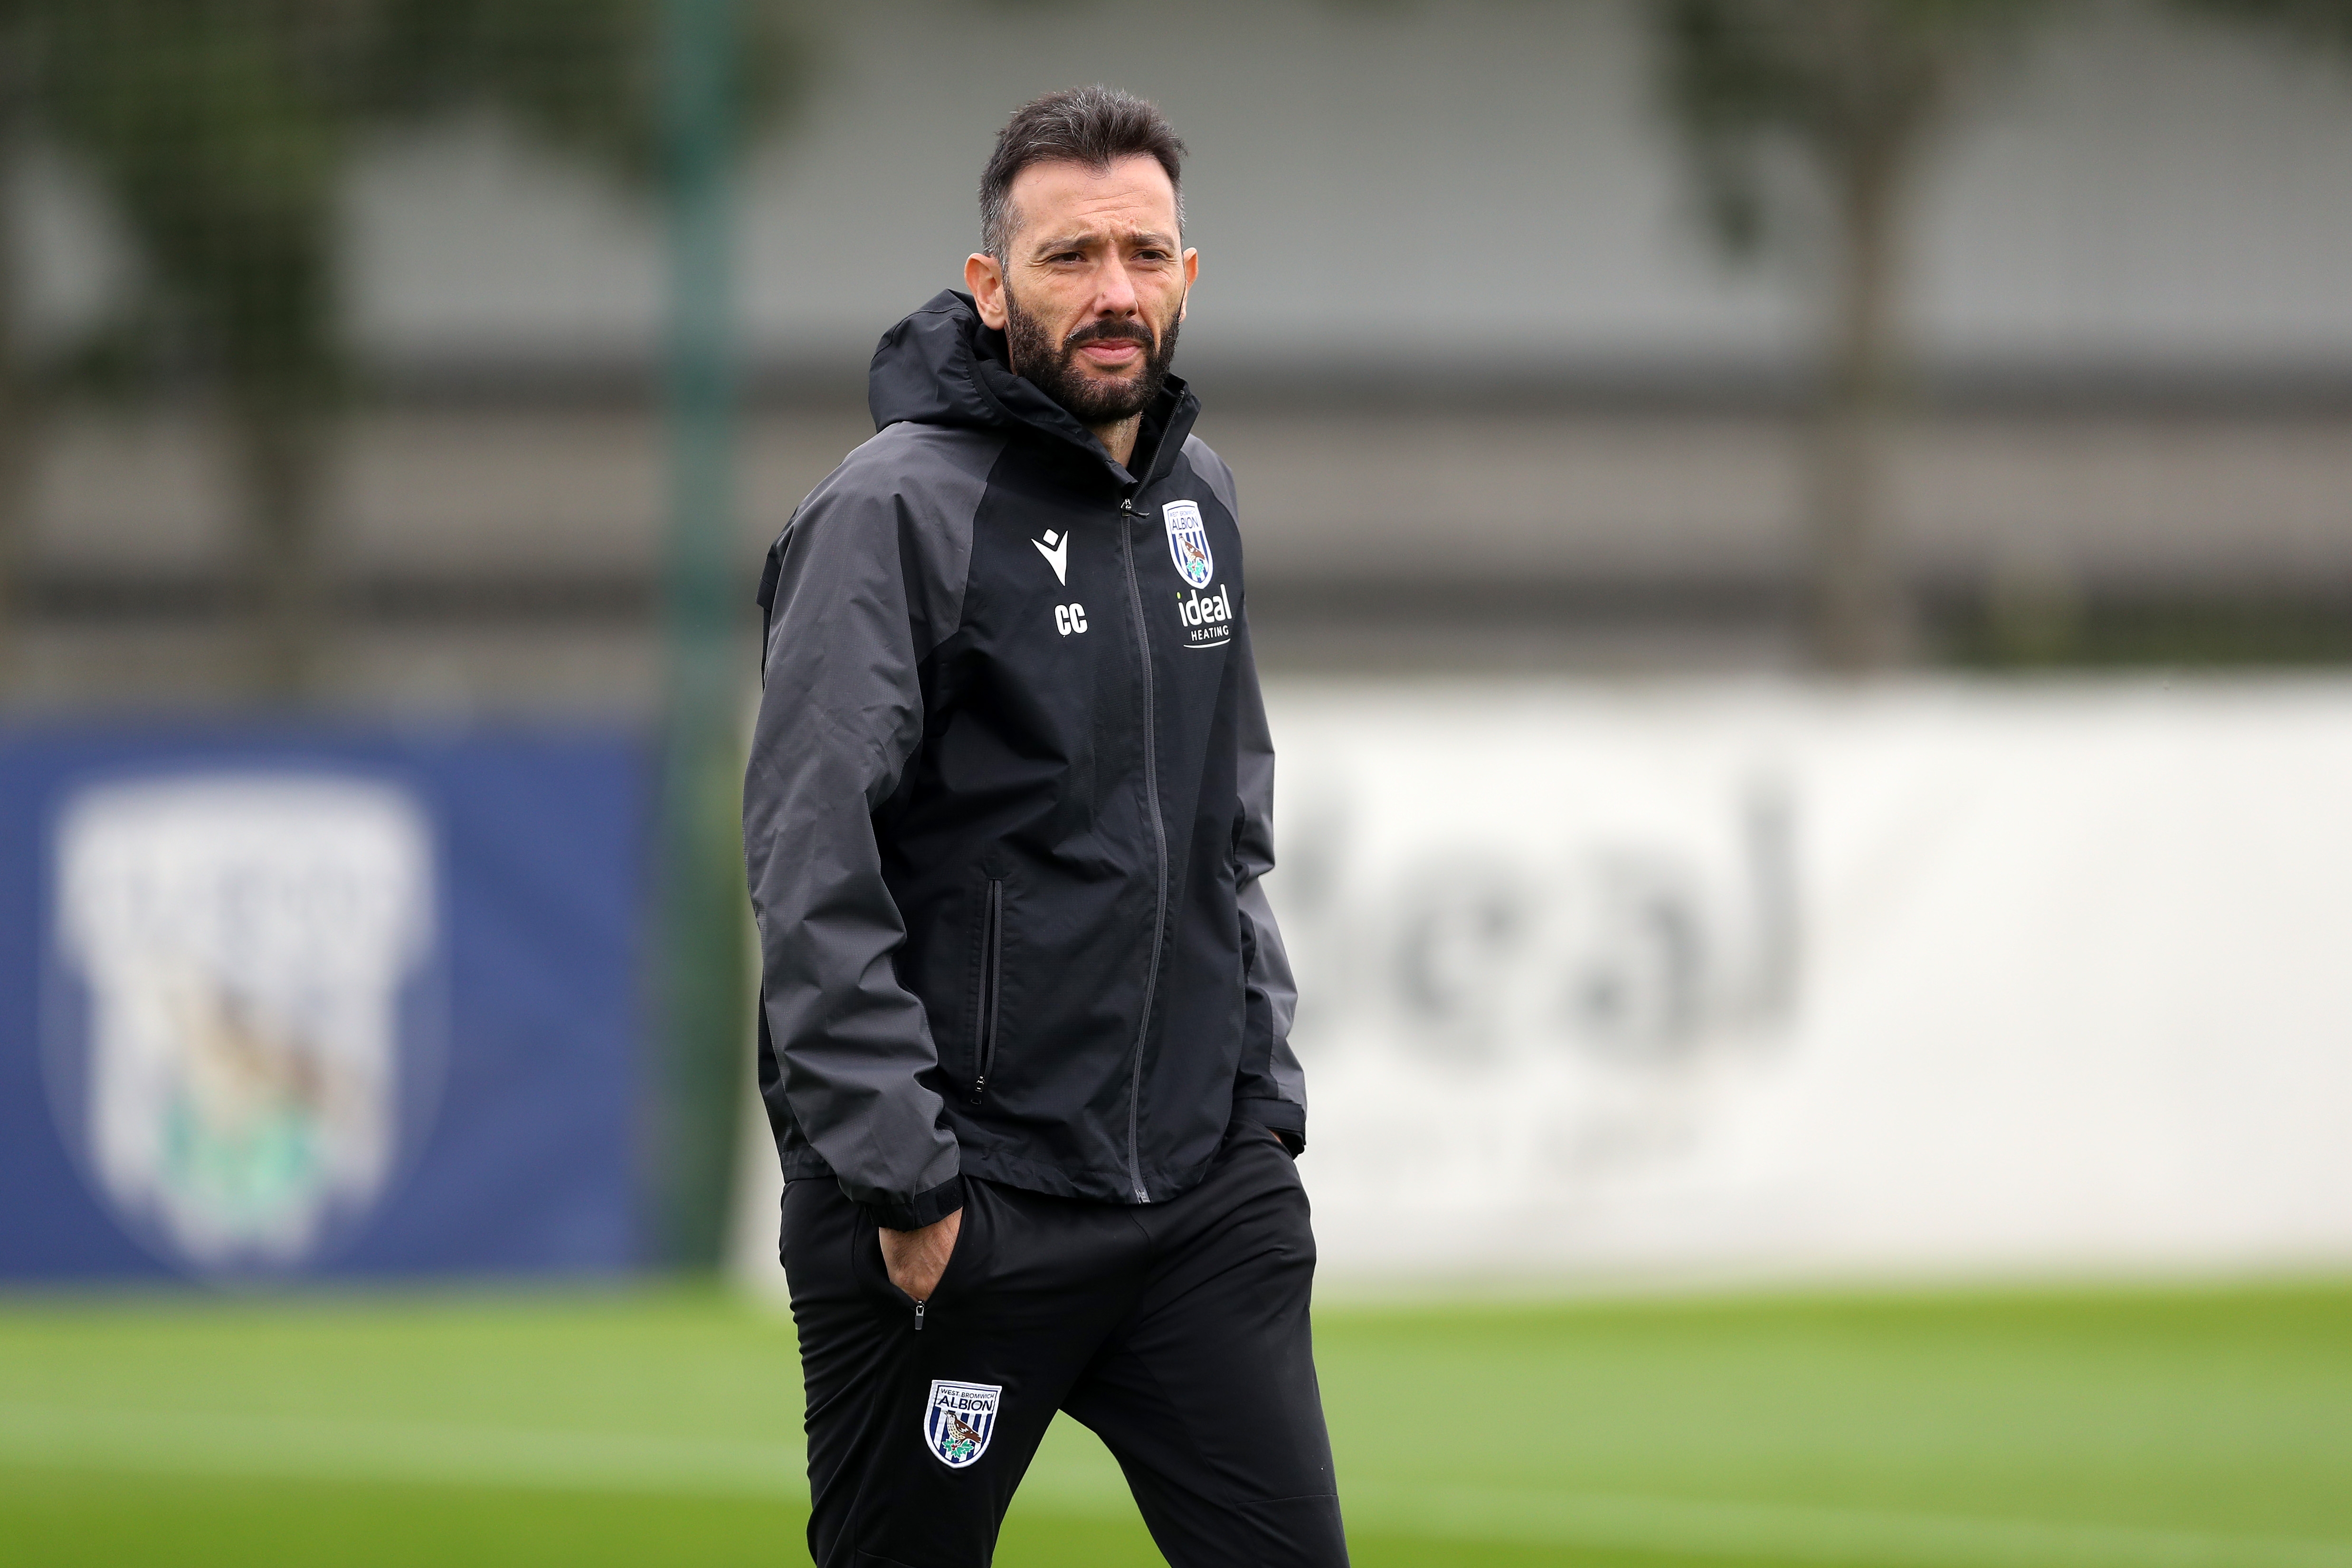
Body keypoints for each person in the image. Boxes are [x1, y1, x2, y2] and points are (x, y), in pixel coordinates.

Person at [742, 85, 1347, 1568]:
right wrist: (907, 1185)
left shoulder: (1196, 497)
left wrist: (1262, 1117)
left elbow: (1229, 833)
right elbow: (810, 862)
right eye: (1071, 259)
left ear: (1188, 278)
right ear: (990, 285)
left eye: (1144, 255)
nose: (1114, 294)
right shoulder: (891, 512)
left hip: (1199, 1204)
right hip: (961, 1215)